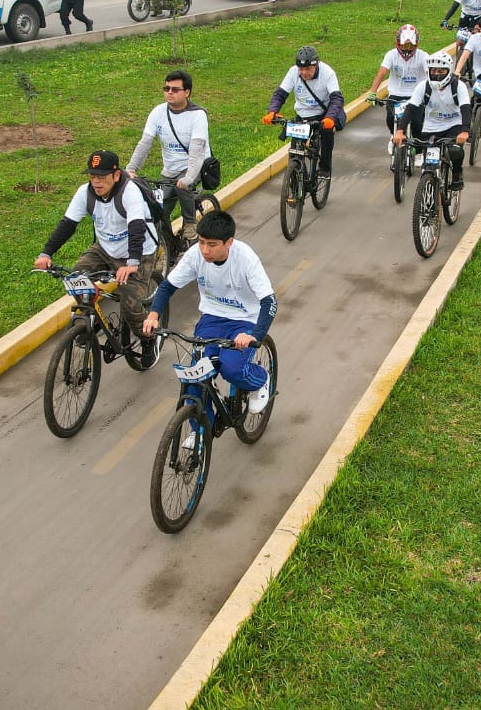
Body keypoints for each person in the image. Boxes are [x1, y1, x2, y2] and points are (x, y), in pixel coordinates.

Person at [142, 210, 275, 433]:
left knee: (232, 369)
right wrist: (153, 315)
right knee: (194, 377)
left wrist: (255, 336)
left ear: (229, 242)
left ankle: (260, 380)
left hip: (245, 321)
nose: (204, 249)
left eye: (212, 244)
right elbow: (167, 286)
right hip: (212, 319)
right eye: (202, 242)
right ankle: (200, 433)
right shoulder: (195, 254)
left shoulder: (246, 258)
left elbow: (269, 302)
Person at [34, 150, 155, 334]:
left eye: (102, 176)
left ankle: (148, 338)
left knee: (130, 306)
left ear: (116, 175)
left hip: (138, 252)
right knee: (76, 278)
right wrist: (46, 253)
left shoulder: (129, 192)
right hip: (105, 248)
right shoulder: (85, 192)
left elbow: (136, 228)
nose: (96, 181)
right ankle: (94, 319)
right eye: (92, 176)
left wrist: (132, 263)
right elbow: (68, 224)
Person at [127, 69, 211, 225]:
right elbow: (145, 143)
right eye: (166, 89)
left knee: (182, 187)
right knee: (158, 210)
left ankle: (190, 225)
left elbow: (197, 151)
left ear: (187, 92)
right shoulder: (158, 112)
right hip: (169, 170)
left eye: (175, 89)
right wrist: (132, 168)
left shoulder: (198, 115)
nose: (169, 93)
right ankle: (167, 241)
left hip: (194, 166)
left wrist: (189, 178)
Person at [265, 45, 346, 178]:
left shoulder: (328, 73)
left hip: (322, 116)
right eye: (301, 69)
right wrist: (272, 111)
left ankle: (325, 169)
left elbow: (337, 98)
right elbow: (280, 94)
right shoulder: (293, 72)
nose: (303, 73)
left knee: (326, 136)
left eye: (307, 69)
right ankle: (294, 179)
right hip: (302, 115)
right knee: (295, 151)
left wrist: (330, 118)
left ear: (316, 65)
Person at [393, 50, 471, 189]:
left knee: (455, 151)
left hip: (454, 125)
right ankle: (429, 190)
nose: (436, 74)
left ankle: (457, 174)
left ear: (449, 70)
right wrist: (400, 131)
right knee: (428, 164)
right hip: (431, 127)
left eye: (441, 71)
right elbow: (410, 108)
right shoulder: (423, 86)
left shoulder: (459, 86)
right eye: (433, 70)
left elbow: (465, 108)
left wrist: (465, 131)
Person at [368, 24, 428, 142]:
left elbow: (429, 75)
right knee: (390, 119)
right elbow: (381, 73)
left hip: (416, 95)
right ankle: (393, 134)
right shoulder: (391, 55)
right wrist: (372, 93)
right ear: (397, 43)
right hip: (396, 94)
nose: (407, 49)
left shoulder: (423, 56)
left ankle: (418, 151)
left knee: (417, 124)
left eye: (410, 45)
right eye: (404, 45)